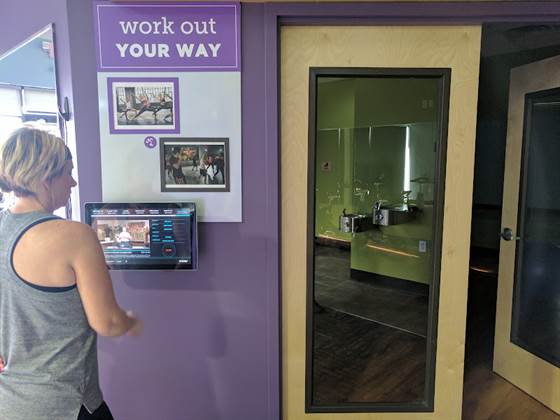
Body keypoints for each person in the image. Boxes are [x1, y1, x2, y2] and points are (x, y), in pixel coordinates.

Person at [0, 126, 143, 420]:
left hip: (10, 404)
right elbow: (107, 323)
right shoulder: (73, 236)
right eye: (68, 172)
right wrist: (131, 322)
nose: (73, 182)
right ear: (46, 177)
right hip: (66, 405)